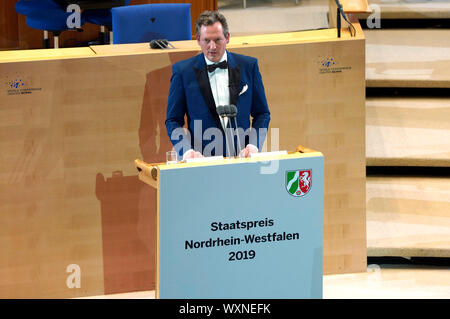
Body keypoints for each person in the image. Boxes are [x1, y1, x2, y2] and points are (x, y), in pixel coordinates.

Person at [165, 10, 270, 159]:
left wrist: (254, 145)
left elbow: (262, 113)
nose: (212, 47)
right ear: (198, 41)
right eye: (207, 40)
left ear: (227, 38)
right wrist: (187, 151)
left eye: (217, 40)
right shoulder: (182, 72)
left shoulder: (249, 66)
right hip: (202, 161)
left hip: (242, 158)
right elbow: (173, 120)